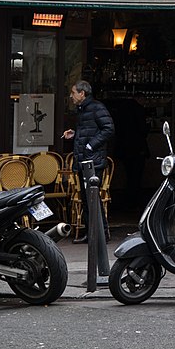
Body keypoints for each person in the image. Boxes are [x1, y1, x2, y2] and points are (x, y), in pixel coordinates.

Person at [62, 80, 114, 242]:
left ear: (82, 93)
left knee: (92, 197)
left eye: (73, 92)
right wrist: (76, 134)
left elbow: (109, 128)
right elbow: (90, 130)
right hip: (86, 159)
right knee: (88, 198)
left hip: (92, 160)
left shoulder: (96, 108)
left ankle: (100, 233)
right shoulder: (83, 109)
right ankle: (93, 233)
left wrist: (91, 145)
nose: (71, 96)